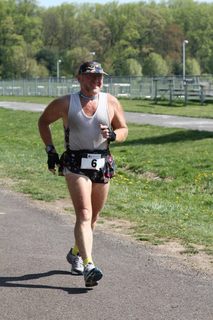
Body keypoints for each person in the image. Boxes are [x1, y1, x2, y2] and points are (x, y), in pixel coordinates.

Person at [38, 61, 128, 287]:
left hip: (102, 162)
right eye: (91, 76)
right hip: (75, 163)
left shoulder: (110, 102)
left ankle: (75, 253)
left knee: (94, 217)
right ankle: (89, 265)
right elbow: (43, 122)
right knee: (85, 213)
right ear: (79, 78)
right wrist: (51, 151)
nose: (97, 80)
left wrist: (114, 135)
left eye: (100, 77)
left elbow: (124, 129)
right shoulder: (65, 103)